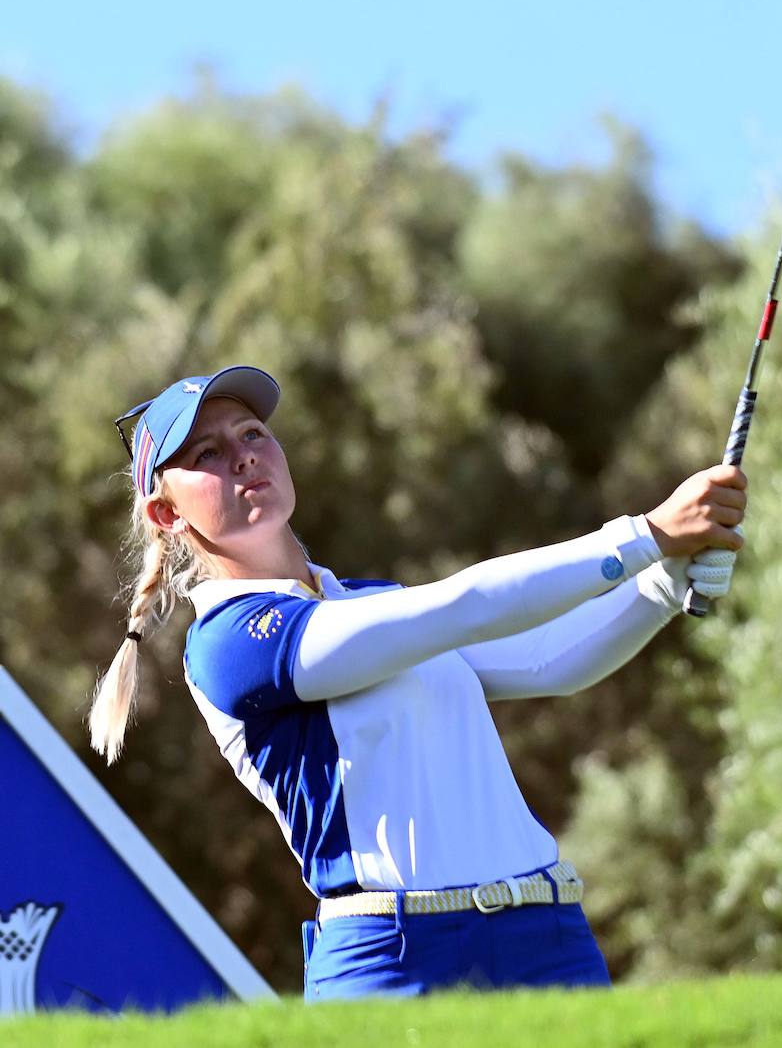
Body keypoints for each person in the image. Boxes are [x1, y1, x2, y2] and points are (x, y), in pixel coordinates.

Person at [90, 365, 747, 999]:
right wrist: (647, 535)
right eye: (206, 451)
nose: (242, 455)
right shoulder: (231, 642)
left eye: (253, 433)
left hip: (547, 935)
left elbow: (552, 661)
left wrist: (662, 585)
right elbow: (466, 605)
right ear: (167, 514)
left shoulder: (374, 603)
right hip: (395, 958)